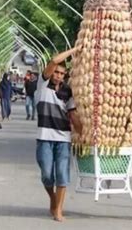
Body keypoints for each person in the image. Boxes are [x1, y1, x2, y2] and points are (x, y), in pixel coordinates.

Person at [36, 47, 82, 222]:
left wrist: (83, 131)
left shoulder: (68, 91)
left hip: (63, 139)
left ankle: (58, 210)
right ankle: (53, 198)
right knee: (47, 174)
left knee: (62, 174)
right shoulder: (43, 85)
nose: (59, 75)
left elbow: (72, 114)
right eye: (56, 72)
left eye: (62, 74)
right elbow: (54, 61)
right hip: (44, 138)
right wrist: (75, 49)